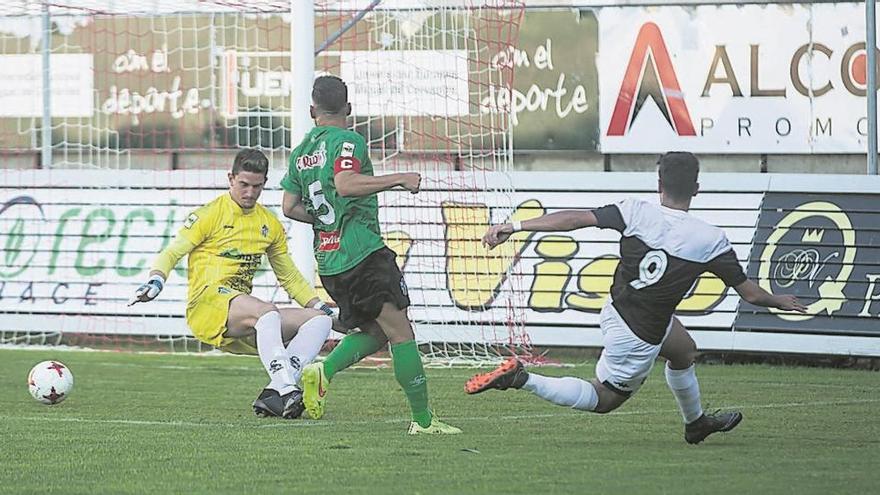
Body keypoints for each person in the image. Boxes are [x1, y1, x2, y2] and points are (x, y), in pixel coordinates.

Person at [465, 151, 807, 444]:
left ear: (659, 186)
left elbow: (574, 219)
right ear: (697, 189)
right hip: (639, 333)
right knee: (604, 398)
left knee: (683, 350)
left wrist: (515, 226)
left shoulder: (635, 211)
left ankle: (695, 424)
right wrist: (779, 300)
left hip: (619, 311)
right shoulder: (710, 240)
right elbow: (749, 292)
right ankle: (522, 378)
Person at [280, 75, 460, 435]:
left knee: (377, 331)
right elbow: (346, 185)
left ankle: (323, 372)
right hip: (362, 254)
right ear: (348, 109)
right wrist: (398, 179)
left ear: (311, 110)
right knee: (402, 333)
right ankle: (423, 422)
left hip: (330, 262)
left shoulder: (300, 153)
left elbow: (289, 207)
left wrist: (323, 217)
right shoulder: (349, 140)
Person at [131, 148, 335, 419]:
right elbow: (173, 251)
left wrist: (321, 306)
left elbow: (289, 276)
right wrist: (156, 280)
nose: (250, 193)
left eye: (257, 186)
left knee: (319, 321)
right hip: (207, 305)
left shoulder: (269, 224)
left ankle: (275, 393)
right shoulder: (210, 214)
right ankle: (288, 388)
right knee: (267, 311)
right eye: (244, 185)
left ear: (264, 183)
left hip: (240, 313)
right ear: (231, 178)